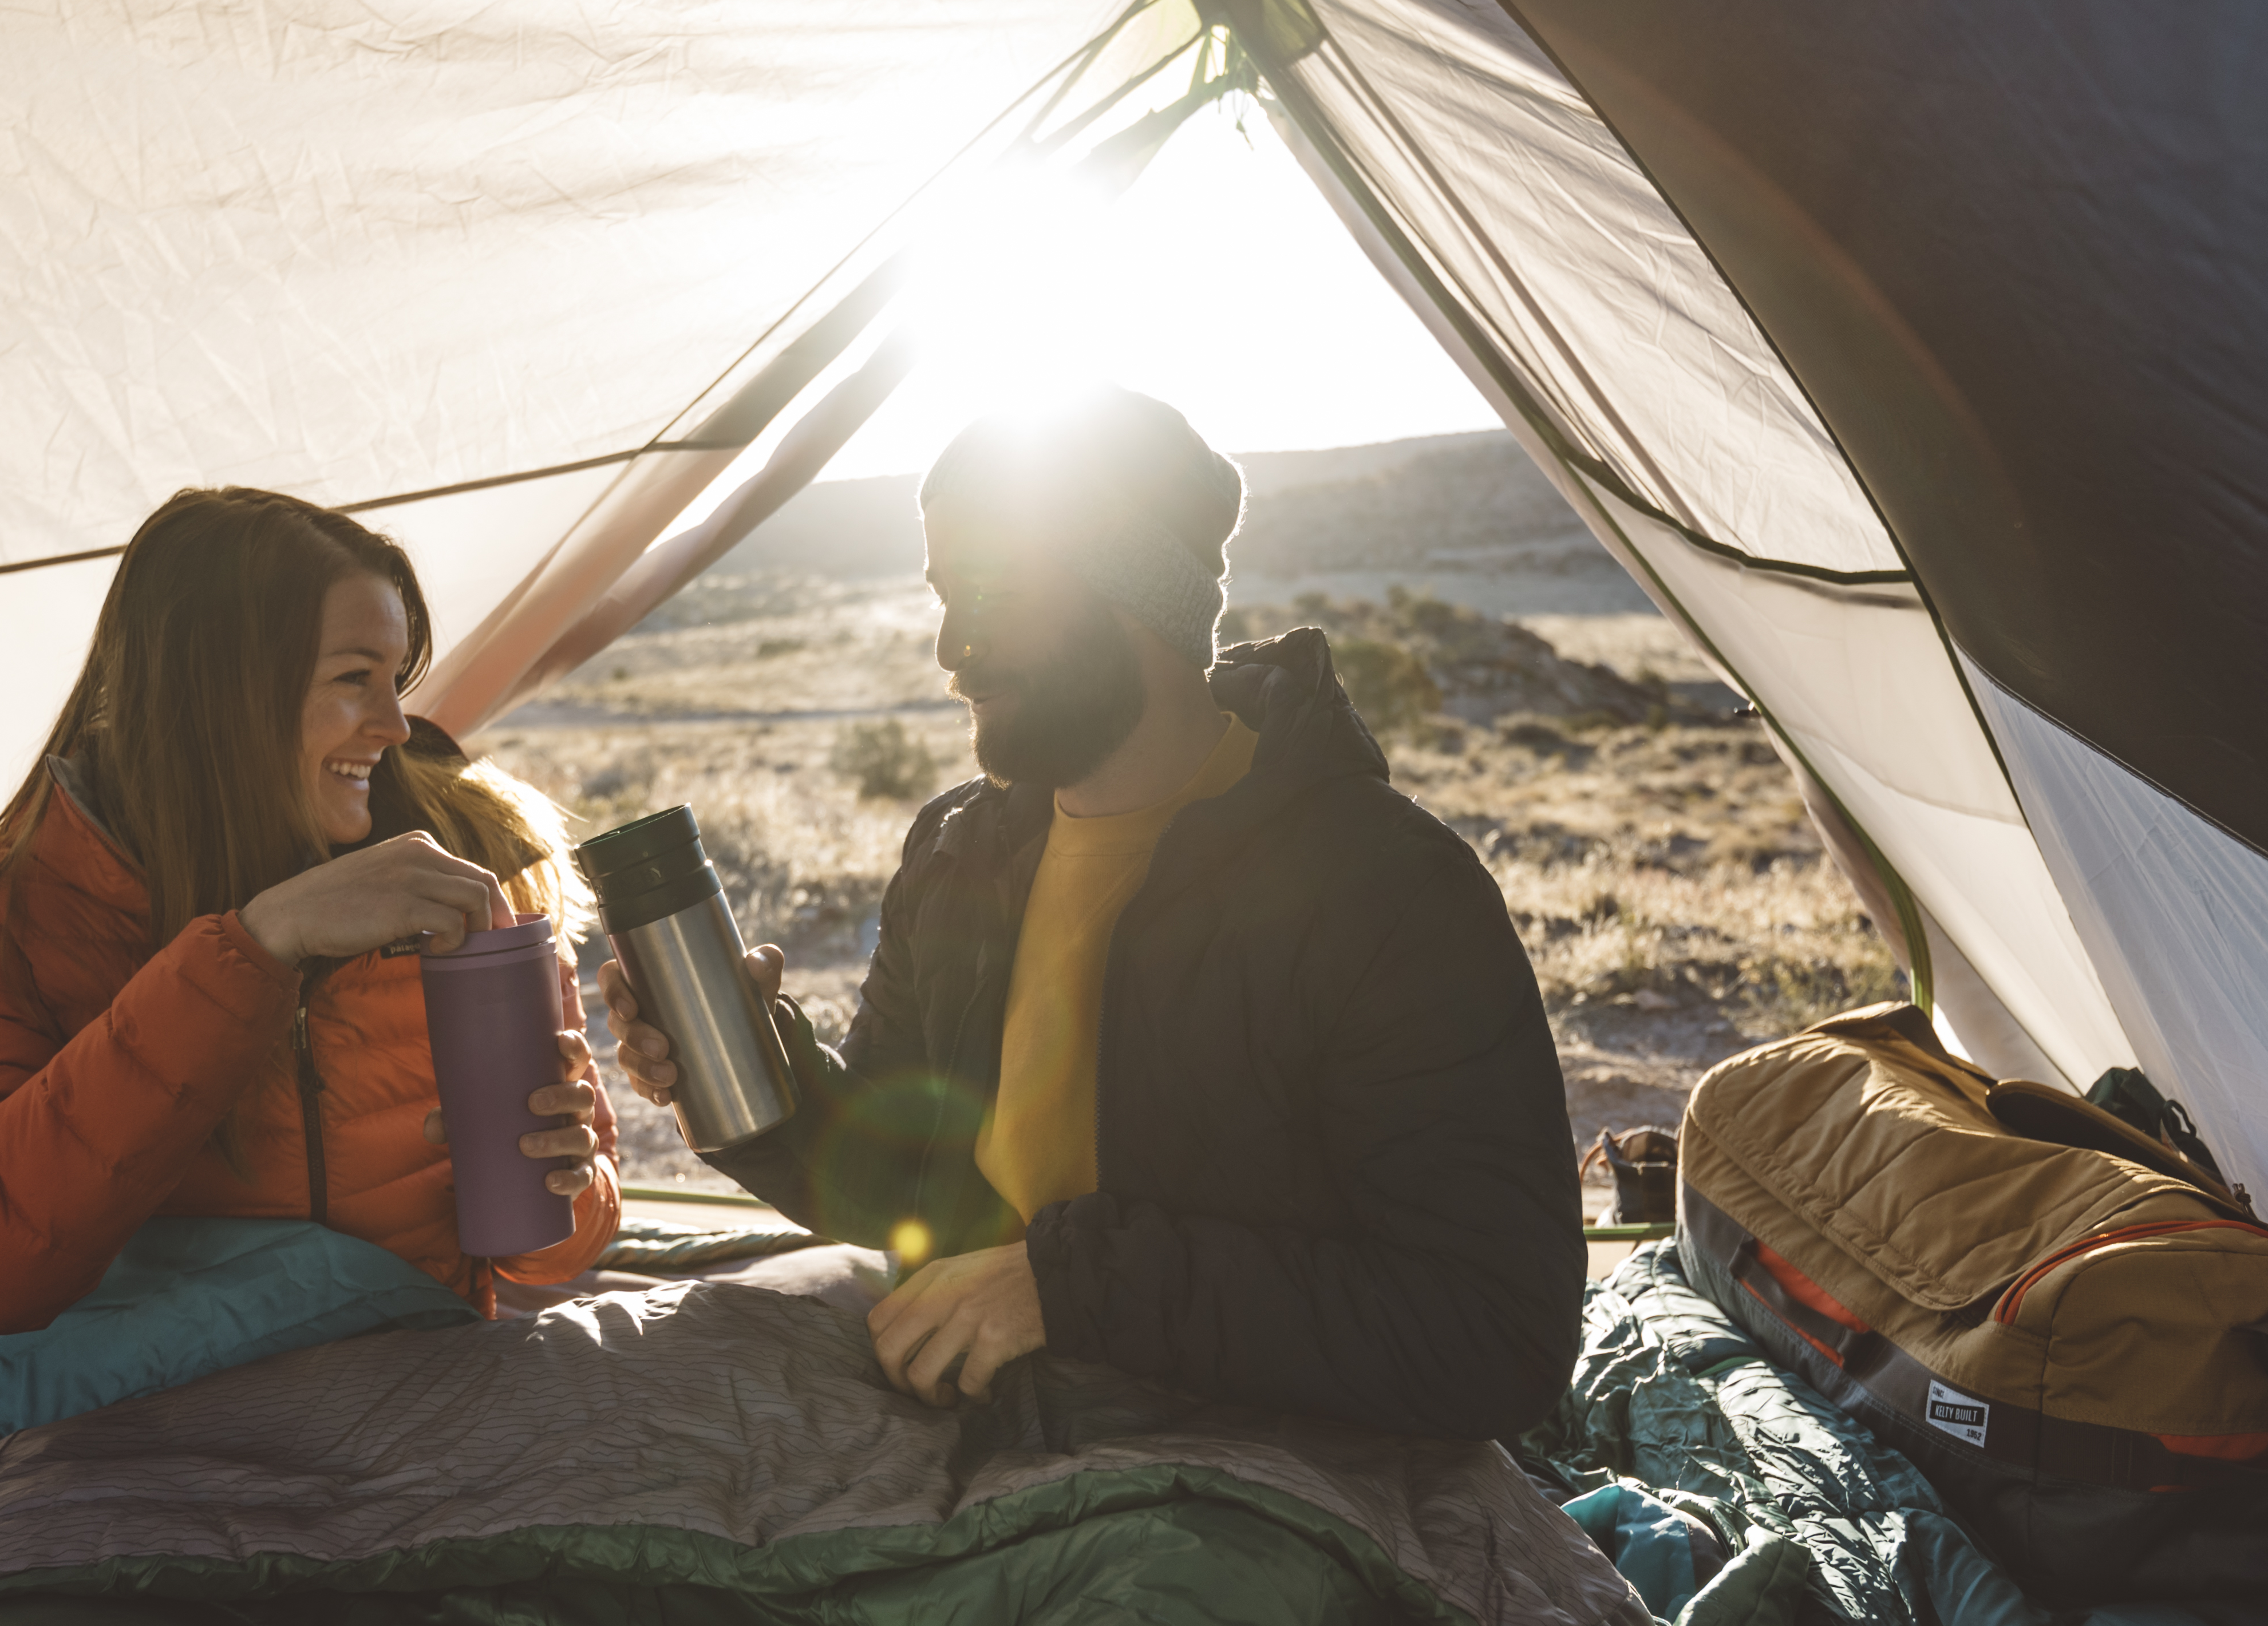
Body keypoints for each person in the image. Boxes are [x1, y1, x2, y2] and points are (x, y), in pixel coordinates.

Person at [605, 390, 1582, 1442]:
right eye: (943, 593)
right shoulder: (960, 851)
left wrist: (1066, 1288)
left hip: (1240, 1459)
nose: (951, 646)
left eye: (988, 588)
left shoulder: (1380, 889)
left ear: (1133, 595)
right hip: (961, 1421)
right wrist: (753, 1085)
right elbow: (902, 1180)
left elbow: (1494, 1336)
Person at [0, 486, 620, 1332]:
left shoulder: (463, 869)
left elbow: (557, 1253)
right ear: (218, 692)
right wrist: (255, 949)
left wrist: (568, 1174)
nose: (395, 726)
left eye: (396, 680)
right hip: (141, 1426)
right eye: (354, 679)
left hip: (418, 1403)